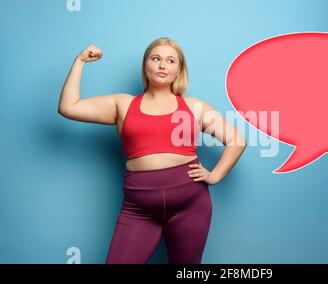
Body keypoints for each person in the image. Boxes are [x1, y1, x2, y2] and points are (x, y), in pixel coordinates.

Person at [58, 37, 247, 264]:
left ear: (178, 70)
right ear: (145, 65)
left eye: (170, 60)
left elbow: (237, 140)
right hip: (139, 210)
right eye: (155, 58)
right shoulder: (123, 104)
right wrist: (80, 61)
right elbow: (68, 107)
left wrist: (214, 175)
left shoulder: (194, 107)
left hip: (190, 206)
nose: (162, 65)